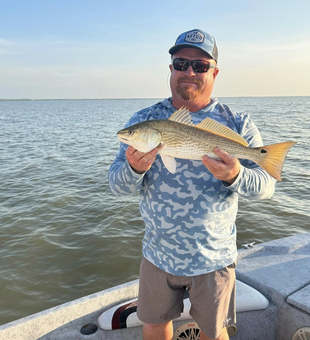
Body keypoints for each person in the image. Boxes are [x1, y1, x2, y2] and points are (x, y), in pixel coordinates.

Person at [108, 29, 276, 340]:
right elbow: (117, 186)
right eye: (181, 63)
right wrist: (133, 167)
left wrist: (235, 175)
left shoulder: (238, 123)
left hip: (214, 259)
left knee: (214, 333)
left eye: (199, 66)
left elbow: (266, 187)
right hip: (157, 255)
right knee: (155, 326)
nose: (189, 72)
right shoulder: (146, 120)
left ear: (214, 72)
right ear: (170, 68)